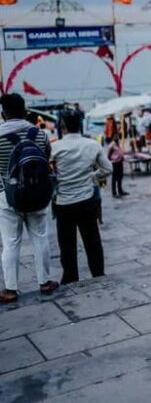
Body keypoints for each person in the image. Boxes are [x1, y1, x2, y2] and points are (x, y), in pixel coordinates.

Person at [0, 94, 59, 303]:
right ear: (25, 112)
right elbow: (46, 159)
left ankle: (10, 289)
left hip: (7, 195)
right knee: (40, 237)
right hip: (37, 192)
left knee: (10, 242)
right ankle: (45, 281)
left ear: (3, 114)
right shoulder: (40, 135)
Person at [51, 109, 112, 285]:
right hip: (87, 200)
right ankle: (98, 273)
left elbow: (46, 171)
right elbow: (108, 169)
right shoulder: (92, 144)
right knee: (92, 240)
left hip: (64, 203)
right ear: (80, 125)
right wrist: (92, 177)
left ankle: (70, 277)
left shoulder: (55, 147)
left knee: (67, 244)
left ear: (62, 126)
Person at [107, 133, 127, 197]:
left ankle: (120, 191)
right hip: (115, 163)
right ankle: (114, 193)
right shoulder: (111, 145)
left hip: (120, 162)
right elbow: (108, 155)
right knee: (114, 178)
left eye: (117, 136)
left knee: (120, 177)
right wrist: (112, 159)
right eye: (115, 136)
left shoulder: (119, 144)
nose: (117, 138)